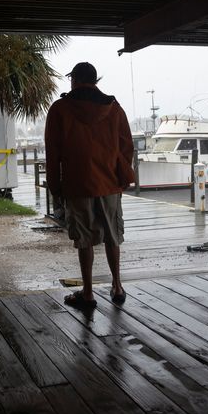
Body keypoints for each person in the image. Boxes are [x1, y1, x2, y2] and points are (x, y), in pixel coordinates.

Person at [44, 62, 135, 309]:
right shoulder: (114, 108)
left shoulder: (60, 109)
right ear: (96, 81)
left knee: (84, 240)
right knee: (113, 236)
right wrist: (122, 176)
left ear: (74, 81)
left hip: (77, 183)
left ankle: (88, 292)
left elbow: (52, 153)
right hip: (109, 184)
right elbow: (127, 146)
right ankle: (117, 286)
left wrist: (55, 186)